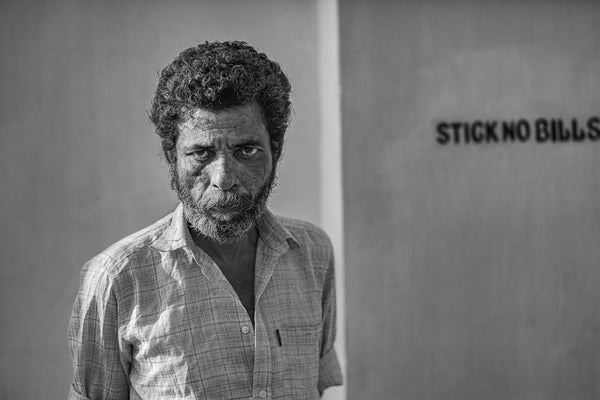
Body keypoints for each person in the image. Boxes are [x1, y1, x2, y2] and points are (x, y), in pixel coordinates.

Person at [67, 41, 343, 399]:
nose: (223, 178)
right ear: (172, 156)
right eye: (201, 152)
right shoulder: (117, 277)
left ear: (276, 150)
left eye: (247, 150)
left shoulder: (312, 253)